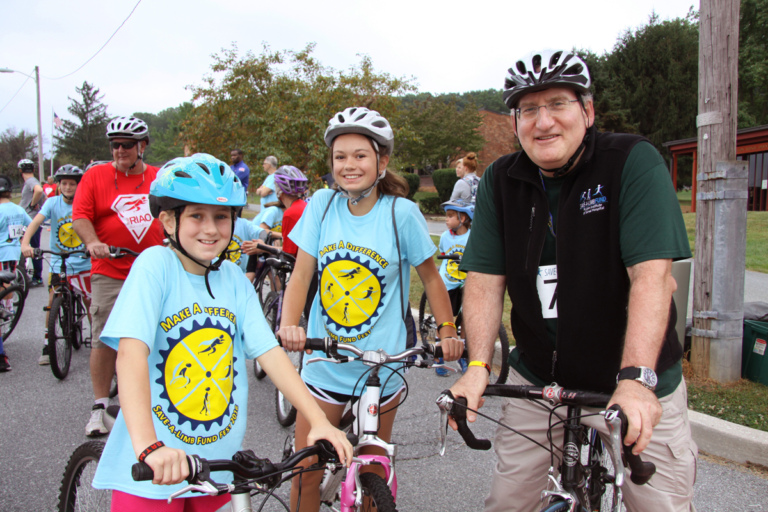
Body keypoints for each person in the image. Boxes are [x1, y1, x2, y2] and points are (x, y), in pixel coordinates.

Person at [448, 49, 696, 511]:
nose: (543, 122)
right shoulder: (502, 179)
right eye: (528, 109)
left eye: (558, 104)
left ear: (588, 110)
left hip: (630, 378)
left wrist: (637, 380)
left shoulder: (630, 161)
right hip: (542, 375)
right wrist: (478, 367)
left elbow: (652, 278)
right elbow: (483, 278)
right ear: (515, 120)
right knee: (507, 502)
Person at [90, 154, 352, 509]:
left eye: (221, 216)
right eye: (196, 216)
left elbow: (270, 354)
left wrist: (318, 419)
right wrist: (149, 446)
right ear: (168, 220)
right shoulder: (154, 267)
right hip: (154, 464)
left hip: (217, 465)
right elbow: (131, 354)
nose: (211, 229)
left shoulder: (233, 280)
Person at [278, 106, 463, 512]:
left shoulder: (401, 213)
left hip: (383, 367)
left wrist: (447, 330)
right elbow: (303, 272)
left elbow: (432, 277)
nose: (349, 165)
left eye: (360, 155)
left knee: (372, 468)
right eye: (340, 156)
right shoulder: (322, 205)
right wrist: (289, 325)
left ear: (382, 161)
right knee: (307, 467)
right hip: (326, 362)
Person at [73, 116, 165, 437]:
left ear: (142, 147)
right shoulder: (97, 176)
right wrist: (93, 242)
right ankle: (99, 407)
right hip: (110, 271)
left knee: (156, 336)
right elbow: (81, 216)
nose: (120, 150)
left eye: (127, 144)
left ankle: (151, 403)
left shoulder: (157, 178)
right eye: (115, 145)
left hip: (151, 270)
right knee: (104, 337)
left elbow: (174, 213)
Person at [21, 165, 91, 366]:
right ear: (59, 185)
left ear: (79, 186)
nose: (68, 187)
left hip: (82, 262)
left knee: (91, 304)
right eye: (64, 184)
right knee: (52, 301)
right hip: (59, 262)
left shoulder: (85, 203)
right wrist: (26, 244)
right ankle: (47, 343)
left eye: (72, 184)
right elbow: (35, 223)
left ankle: (98, 341)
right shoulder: (52, 203)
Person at [434, 200, 473, 377]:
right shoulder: (445, 237)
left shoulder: (472, 237)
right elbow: (443, 253)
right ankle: (439, 356)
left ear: (462, 218)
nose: (446, 219)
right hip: (448, 282)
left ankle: (463, 356)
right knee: (445, 318)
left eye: (450, 216)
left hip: (466, 282)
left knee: (466, 318)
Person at [0, 175, 33, 372]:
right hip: (13, 252)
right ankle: (8, 307)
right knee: (7, 283)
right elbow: (31, 224)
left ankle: (5, 309)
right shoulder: (18, 209)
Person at [18, 158, 46, 286]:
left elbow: (39, 191)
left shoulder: (30, 181)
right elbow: (44, 197)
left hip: (30, 220)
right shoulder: (31, 181)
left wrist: (32, 205)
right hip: (32, 218)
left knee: (33, 248)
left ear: (20, 171)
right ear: (33, 169)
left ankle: (37, 277)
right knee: (30, 248)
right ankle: (26, 274)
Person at [273, 165, 309, 257]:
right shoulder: (305, 206)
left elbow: (289, 254)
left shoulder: (291, 214)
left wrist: (262, 247)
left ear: (279, 190)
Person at [230, 149, 250, 217]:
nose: (232, 157)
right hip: (231, 195)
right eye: (232, 155)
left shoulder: (243, 168)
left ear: (240, 155)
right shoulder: (231, 167)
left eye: (235, 155)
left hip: (239, 196)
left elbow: (234, 179)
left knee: (235, 217)